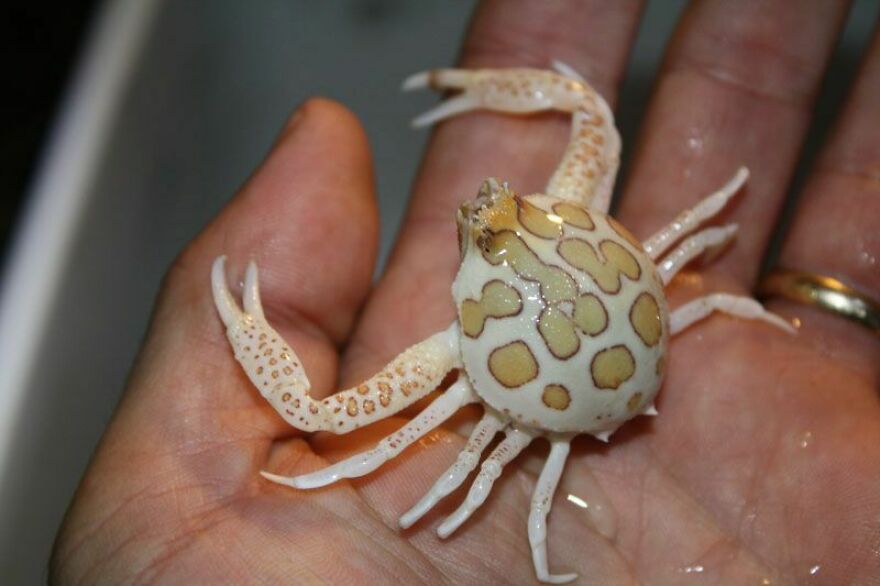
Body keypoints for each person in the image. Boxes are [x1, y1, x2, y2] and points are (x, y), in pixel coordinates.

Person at [51, 1, 879, 583]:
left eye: (505, 217)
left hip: (611, 358)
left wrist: (244, 323)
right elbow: (591, 119)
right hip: (644, 323)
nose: (487, 209)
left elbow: (326, 415)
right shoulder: (544, 244)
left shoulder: (453, 352)